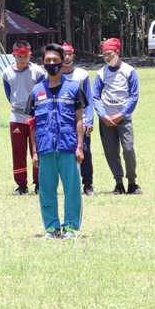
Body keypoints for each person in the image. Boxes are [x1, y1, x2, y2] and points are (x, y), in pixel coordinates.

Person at [25, 44, 86, 239]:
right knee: (46, 190)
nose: (52, 63)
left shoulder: (74, 88)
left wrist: (79, 146)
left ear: (62, 61)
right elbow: (32, 124)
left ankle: (69, 227)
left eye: (55, 60)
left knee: (72, 189)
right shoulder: (36, 91)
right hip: (45, 147)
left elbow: (79, 119)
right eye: (48, 60)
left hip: (68, 146)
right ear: (42, 63)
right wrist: (34, 151)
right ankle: (51, 227)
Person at [93, 38, 141, 195]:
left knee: (128, 149)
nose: (107, 57)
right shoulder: (102, 73)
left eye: (109, 54)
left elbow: (134, 96)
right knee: (111, 151)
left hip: (123, 119)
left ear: (117, 53)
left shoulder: (129, 71)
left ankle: (132, 183)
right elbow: (95, 97)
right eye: (104, 54)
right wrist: (102, 115)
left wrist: (122, 114)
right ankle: (118, 183)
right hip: (106, 119)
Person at [2, 41, 45, 195]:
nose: (22, 59)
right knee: (18, 153)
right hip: (17, 117)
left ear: (30, 55)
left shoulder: (38, 72)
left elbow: (42, 92)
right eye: (19, 56)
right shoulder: (7, 73)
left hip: (36, 117)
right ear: (14, 55)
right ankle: (21, 185)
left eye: (25, 56)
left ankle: (39, 183)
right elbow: (9, 94)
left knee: (38, 150)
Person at [61, 42, 96, 196]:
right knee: (64, 154)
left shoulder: (82, 74)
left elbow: (89, 98)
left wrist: (89, 120)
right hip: (63, 122)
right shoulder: (55, 74)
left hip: (80, 121)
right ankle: (67, 186)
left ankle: (87, 184)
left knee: (85, 152)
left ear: (73, 55)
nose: (66, 57)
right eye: (64, 54)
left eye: (69, 54)